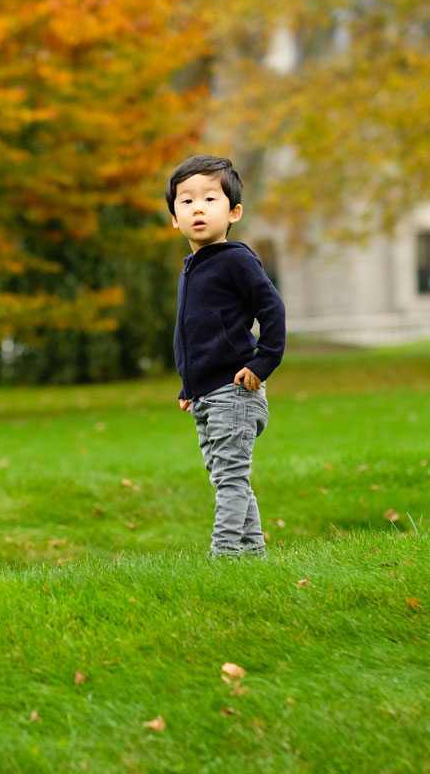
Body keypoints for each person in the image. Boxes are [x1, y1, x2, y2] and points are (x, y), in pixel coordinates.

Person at [166, 154, 286, 558]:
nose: (197, 207)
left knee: (231, 479)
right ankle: (252, 556)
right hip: (205, 394)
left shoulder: (236, 259)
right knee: (226, 477)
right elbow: (194, 333)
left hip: (234, 392)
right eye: (186, 201)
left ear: (234, 211)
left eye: (210, 199)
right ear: (174, 219)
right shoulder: (190, 267)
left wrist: (261, 362)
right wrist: (189, 385)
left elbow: (272, 310)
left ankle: (224, 557)